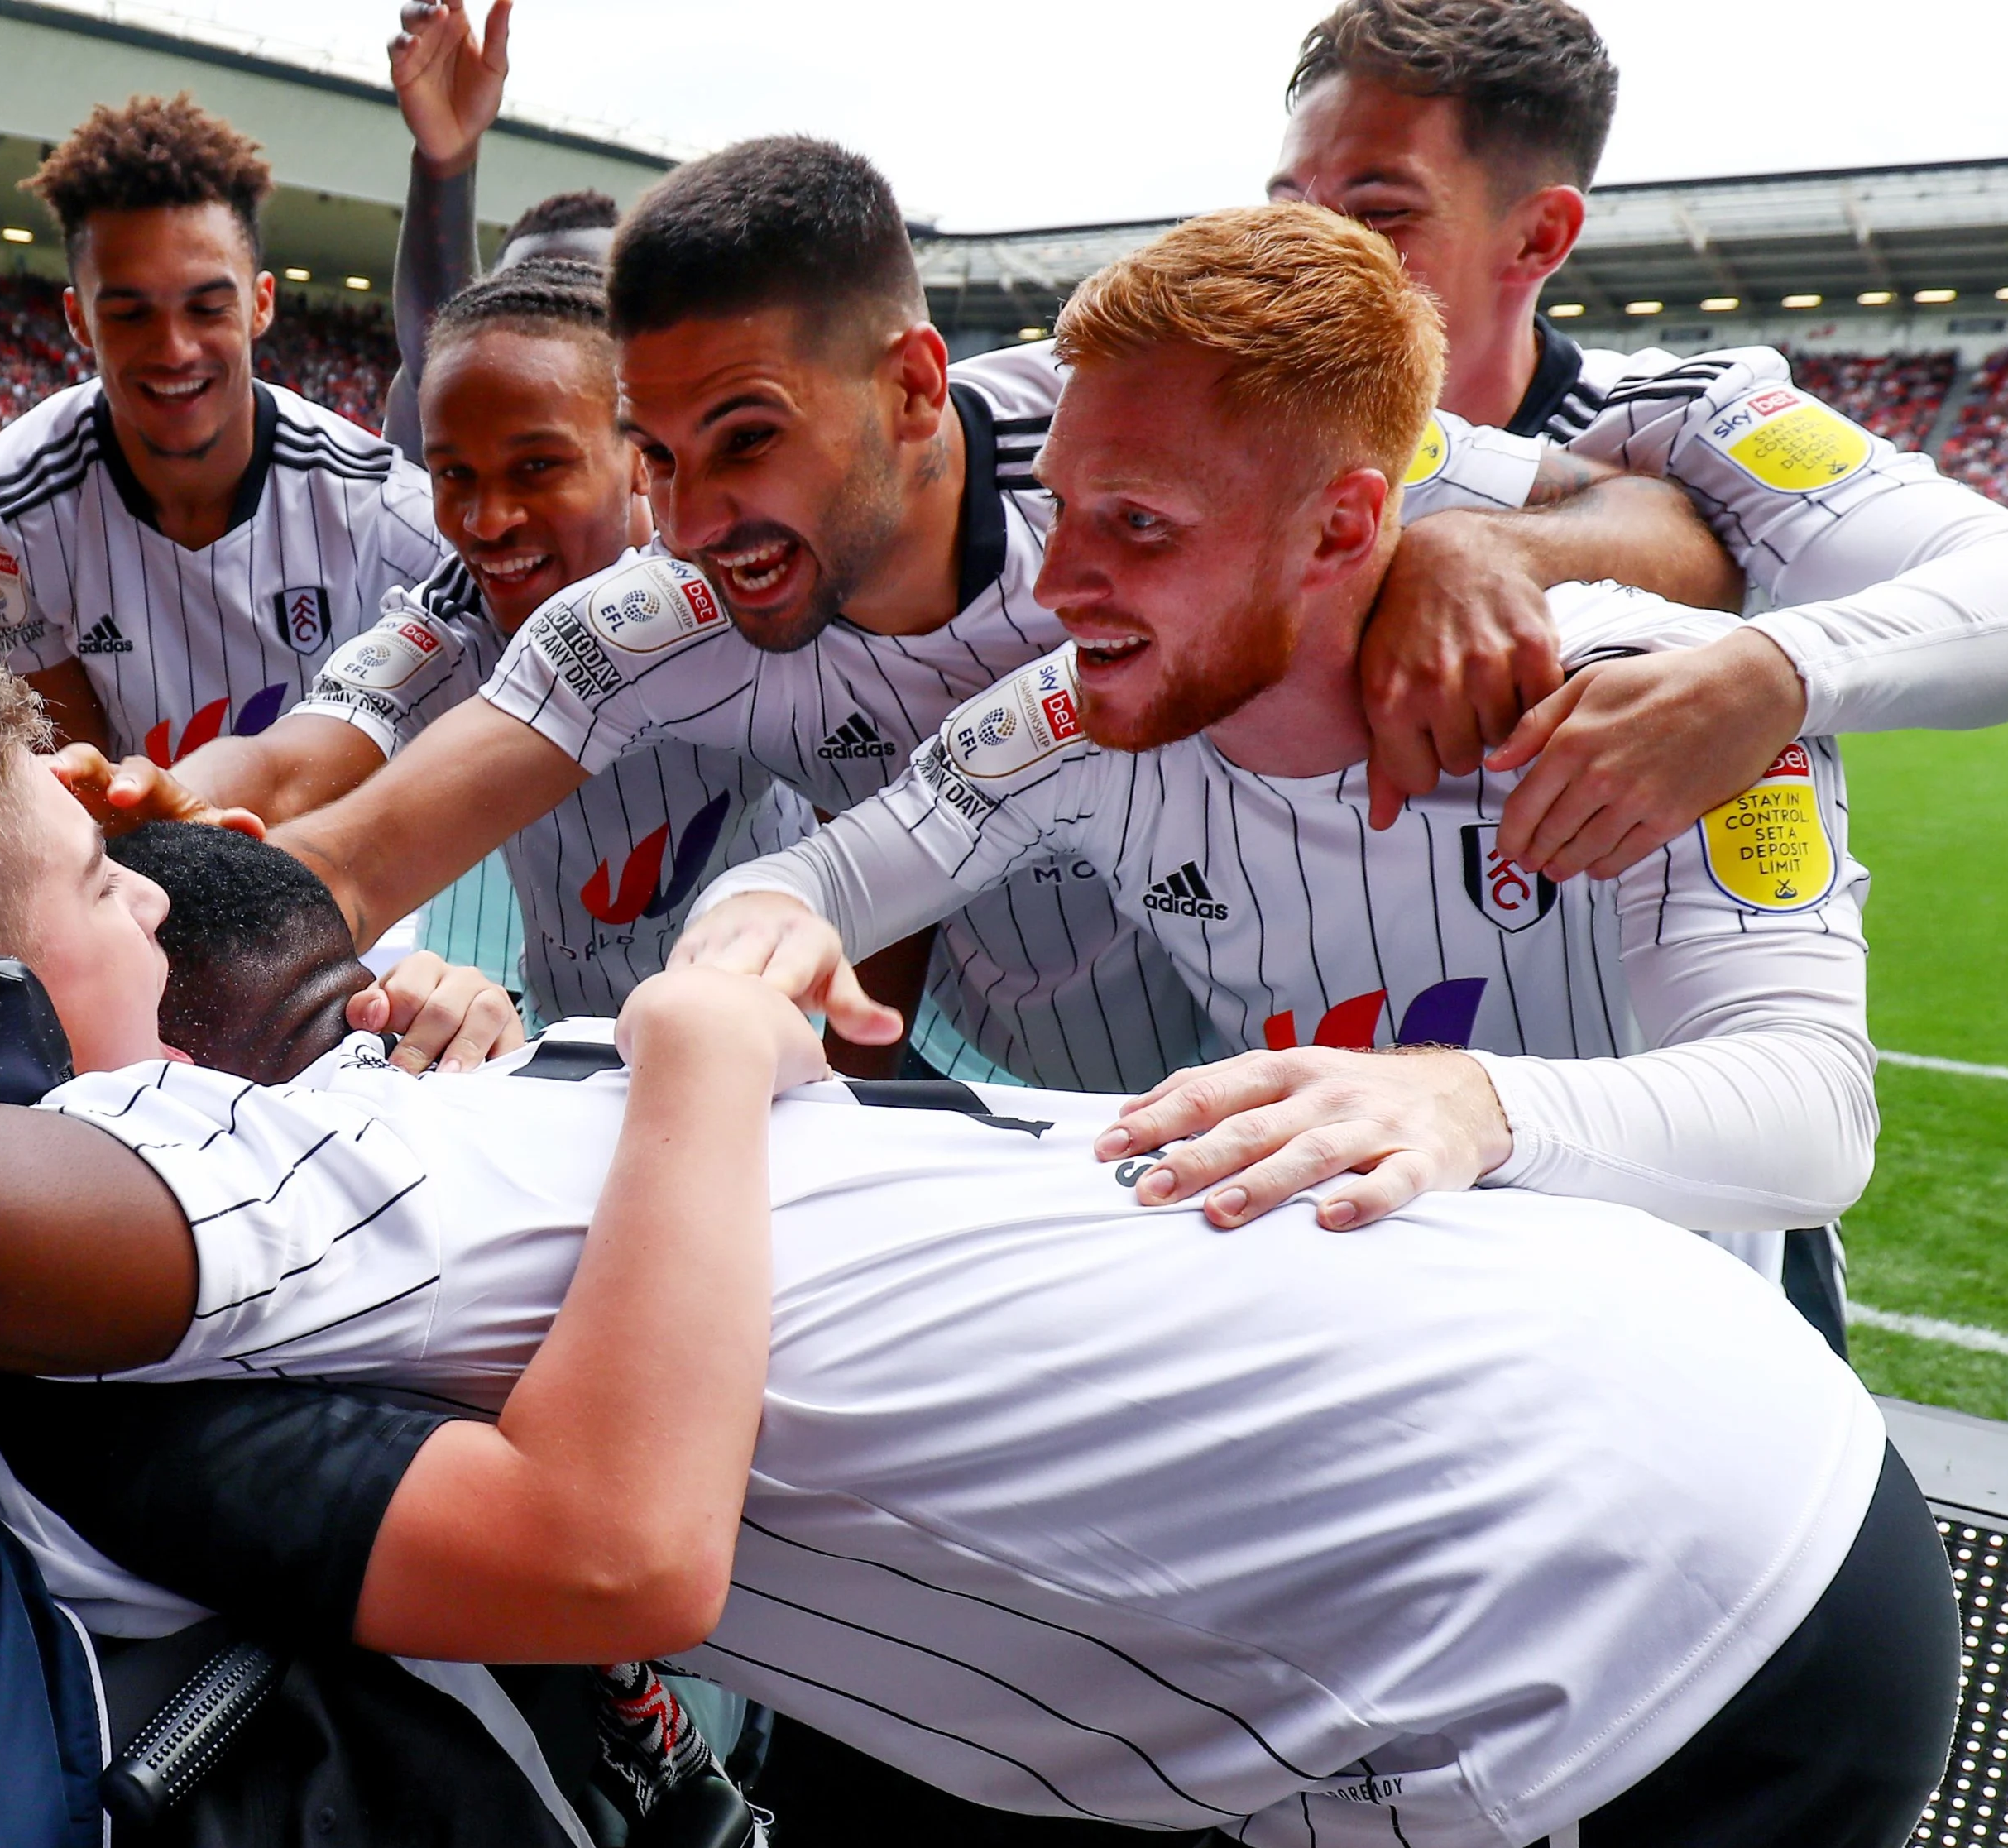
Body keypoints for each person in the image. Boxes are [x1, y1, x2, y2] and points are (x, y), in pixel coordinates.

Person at [0, 647, 1958, 1848]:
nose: (158, 844)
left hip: (1603, 1578)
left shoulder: (246, 1155)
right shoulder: (139, 1222)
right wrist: (682, 1052)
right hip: (1564, 1577)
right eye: (100, 877)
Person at [262, 135, 1738, 1091]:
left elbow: (1668, 522)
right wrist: (104, 887)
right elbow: (351, 852)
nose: (692, 518)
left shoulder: (1131, 433)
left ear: (914, 385)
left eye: (749, 435)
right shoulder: (658, 613)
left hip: (1412, 1073)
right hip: (1030, 1111)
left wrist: (1486, 551)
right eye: (655, 452)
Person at [679, 205, 1866, 1319]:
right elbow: (819, 878)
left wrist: (1469, 1101)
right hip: (1335, 1349)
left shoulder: (1660, 697)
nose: (1054, 587)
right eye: (1064, 510)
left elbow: (1815, 1112)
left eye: (1140, 523)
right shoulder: (1077, 709)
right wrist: (756, 924)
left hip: (1670, 1377)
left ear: (1343, 526)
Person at [1264, 0, 2008, 875]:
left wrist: (1764, 679)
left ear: (1539, 236)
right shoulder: (1218, 429)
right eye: (1284, 207)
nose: (1306, 253)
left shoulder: (1676, 417)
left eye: (1379, 214)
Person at [73, 260, 813, 1027]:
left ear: (637, 455)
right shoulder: (458, 612)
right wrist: (166, 797)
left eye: (537, 466)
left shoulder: (735, 593)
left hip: (788, 1048)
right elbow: (291, 761)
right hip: (570, 1051)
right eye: (454, 472)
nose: (488, 520)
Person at [0, 94, 446, 778]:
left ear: (261, 303)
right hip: (137, 870)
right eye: (128, 315)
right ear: (79, 320)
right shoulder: (5, 502)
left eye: (208, 307)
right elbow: (76, 776)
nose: (174, 349)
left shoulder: (374, 502)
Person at [376, 0, 620, 450]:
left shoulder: (678, 470)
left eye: (592, 310)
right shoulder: (457, 470)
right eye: (522, 305)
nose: (555, 334)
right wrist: (445, 163)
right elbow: (436, 359)